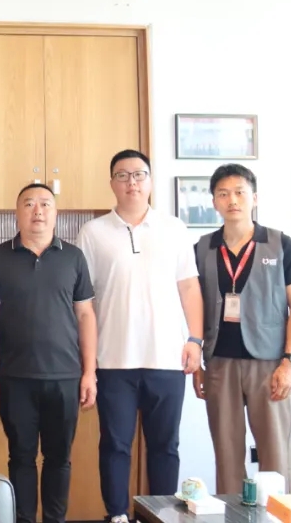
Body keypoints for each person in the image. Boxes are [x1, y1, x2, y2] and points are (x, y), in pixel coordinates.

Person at [75, 150, 203, 523]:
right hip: (113, 360)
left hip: (167, 357)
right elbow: (84, 301)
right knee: (115, 445)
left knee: (165, 446)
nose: (131, 182)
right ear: (111, 183)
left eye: (139, 174)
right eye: (122, 175)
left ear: (150, 180)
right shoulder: (93, 232)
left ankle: (160, 515)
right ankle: (116, 514)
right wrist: (89, 363)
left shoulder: (174, 228)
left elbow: (189, 288)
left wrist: (195, 340)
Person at [0, 183, 97, 523]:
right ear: (17, 213)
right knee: (20, 457)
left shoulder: (73, 257)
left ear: (55, 213)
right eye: (29, 204)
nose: (38, 211)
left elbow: (86, 315)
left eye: (45, 204)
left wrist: (89, 372)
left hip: (65, 377)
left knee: (59, 458)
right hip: (15, 377)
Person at [192, 164, 291, 495]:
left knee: (275, 455)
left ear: (254, 198)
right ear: (214, 201)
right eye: (223, 194)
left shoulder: (280, 244)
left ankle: (275, 515)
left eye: (240, 192)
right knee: (227, 457)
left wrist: (290, 362)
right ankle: (232, 516)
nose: (233, 200)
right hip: (219, 364)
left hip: (269, 364)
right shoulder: (202, 248)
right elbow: (193, 308)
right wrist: (197, 361)